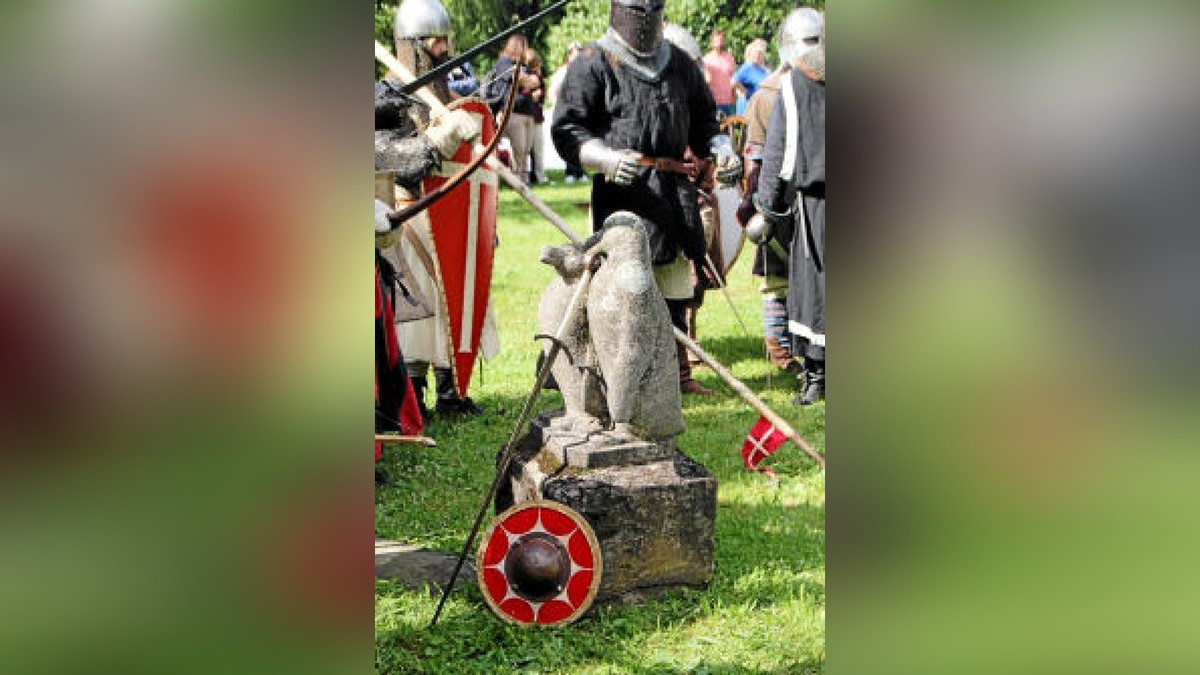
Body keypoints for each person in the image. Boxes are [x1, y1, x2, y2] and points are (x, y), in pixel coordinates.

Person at [552, 0, 742, 396]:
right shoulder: (594, 61)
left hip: (673, 192)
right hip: (623, 195)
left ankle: (672, 379)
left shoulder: (678, 64)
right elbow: (568, 127)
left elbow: (705, 118)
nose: (646, 17)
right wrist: (602, 158)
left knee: (673, 284)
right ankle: (616, 382)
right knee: (623, 290)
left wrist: (720, 146)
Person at [387, 0, 496, 416]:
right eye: (437, 42)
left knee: (454, 300)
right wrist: (438, 142)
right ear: (414, 46)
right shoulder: (387, 98)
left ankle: (453, 389)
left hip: (450, 217)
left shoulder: (447, 96)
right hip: (408, 215)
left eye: (447, 40)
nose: (445, 49)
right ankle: (412, 393)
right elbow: (392, 159)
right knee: (414, 310)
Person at [373, 80, 480, 464]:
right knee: (404, 326)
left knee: (437, 308)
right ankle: (407, 401)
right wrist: (443, 139)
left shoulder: (414, 111)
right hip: (396, 223)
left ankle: (445, 389)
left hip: (412, 222)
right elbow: (405, 159)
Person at [738, 8, 823, 376]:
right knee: (781, 282)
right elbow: (757, 156)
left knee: (801, 286)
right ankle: (784, 355)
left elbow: (760, 160)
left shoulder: (782, 88)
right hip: (788, 202)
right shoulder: (771, 91)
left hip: (799, 201)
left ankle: (806, 362)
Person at [487, 35, 541, 184]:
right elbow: (518, 78)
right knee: (519, 148)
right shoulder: (503, 62)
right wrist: (523, 80)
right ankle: (517, 180)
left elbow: (535, 81)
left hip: (528, 112)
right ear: (517, 46)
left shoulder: (523, 64)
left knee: (526, 149)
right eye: (523, 46)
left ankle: (524, 178)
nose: (526, 49)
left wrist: (524, 80)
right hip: (513, 112)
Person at [546, 42, 585, 184]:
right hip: (567, 111)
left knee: (581, 142)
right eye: (575, 52)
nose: (578, 54)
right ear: (570, 54)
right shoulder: (563, 71)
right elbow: (552, 92)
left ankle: (580, 173)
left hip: (581, 111)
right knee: (569, 141)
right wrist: (560, 105)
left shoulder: (585, 70)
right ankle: (570, 172)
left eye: (580, 51)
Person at [524, 48, 551, 184]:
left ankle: (537, 176)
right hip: (530, 115)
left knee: (534, 149)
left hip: (534, 115)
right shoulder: (528, 76)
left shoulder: (532, 75)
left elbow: (541, 96)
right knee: (533, 149)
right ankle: (538, 176)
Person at [702, 29, 737, 118]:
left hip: (729, 101)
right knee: (715, 128)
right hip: (714, 101)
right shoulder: (706, 59)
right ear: (712, 42)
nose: (719, 43)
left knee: (729, 129)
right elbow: (705, 81)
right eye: (717, 40)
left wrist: (734, 96)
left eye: (721, 40)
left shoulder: (730, 58)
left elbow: (734, 79)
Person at [733, 38, 769, 115]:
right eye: (756, 53)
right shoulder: (747, 67)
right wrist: (746, 92)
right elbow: (733, 82)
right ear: (751, 53)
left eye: (760, 53)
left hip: (760, 107)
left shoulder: (763, 69)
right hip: (748, 107)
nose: (758, 55)